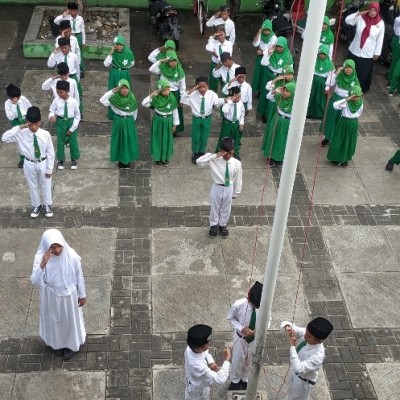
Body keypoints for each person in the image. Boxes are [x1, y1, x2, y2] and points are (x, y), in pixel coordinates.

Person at [30, 229, 86, 361]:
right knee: (54, 320)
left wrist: (82, 294)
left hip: (69, 296)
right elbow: (34, 280)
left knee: (69, 321)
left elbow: (79, 276)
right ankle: (56, 344)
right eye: (52, 247)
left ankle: (70, 346)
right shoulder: (41, 258)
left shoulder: (71, 256)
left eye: (59, 246)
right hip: (51, 296)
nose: (57, 250)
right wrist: (43, 263)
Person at [1, 106, 55, 218]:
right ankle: (36, 205)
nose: (34, 127)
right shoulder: (21, 133)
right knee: (32, 185)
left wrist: (50, 168)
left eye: (37, 124)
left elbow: (50, 152)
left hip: (42, 162)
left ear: (40, 122)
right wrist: (19, 128)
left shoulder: (45, 134)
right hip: (29, 162)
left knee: (46, 184)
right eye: (31, 124)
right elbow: (4, 138)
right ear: (27, 122)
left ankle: (47, 205)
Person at [196, 137, 242, 239]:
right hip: (217, 187)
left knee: (226, 208)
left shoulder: (236, 163)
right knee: (215, 207)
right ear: (222, 151)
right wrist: (216, 155)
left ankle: (223, 224)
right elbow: (199, 162)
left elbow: (238, 178)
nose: (228, 156)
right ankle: (213, 225)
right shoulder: (214, 160)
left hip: (229, 187)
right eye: (226, 153)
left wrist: (236, 192)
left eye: (230, 153)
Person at [281, 317, 333, 400]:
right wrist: (288, 327)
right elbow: (295, 329)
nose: (304, 335)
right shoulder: (309, 333)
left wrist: (292, 346)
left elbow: (299, 368)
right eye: (306, 331)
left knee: (297, 398)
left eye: (308, 336)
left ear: (318, 340)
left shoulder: (318, 356)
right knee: (290, 393)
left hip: (302, 382)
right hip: (294, 373)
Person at [227, 281, 264, 390]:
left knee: (250, 359)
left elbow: (268, 319)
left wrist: (260, 329)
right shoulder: (238, 305)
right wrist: (242, 328)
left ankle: (245, 379)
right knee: (238, 360)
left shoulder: (263, 306)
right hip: (241, 338)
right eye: (252, 304)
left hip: (254, 339)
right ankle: (235, 380)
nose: (254, 307)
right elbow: (230, 319)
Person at [180, 76, 224, 164]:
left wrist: (226, 100)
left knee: (204, 136)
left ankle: (201, 152)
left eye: (204, 87)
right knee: (196, 136)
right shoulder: (193, 95)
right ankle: (195, 152)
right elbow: (182, 100)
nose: (202, 89)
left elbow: (217, 102)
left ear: (207, 86)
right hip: (197, 118)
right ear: (196, 86)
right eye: (199, 87)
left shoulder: (212, 94)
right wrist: (192, 90)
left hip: (207, 118)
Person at [345, 2, 385, 92]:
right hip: (355, 50)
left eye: (375, 10)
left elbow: (380, 39)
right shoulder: (360, 18)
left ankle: (358, 90)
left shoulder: (380, 23)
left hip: (367, 53)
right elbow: (347, 21)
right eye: (371, 10)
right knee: (350, 70)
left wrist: (377, 53)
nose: (372, 12)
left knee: (362, 74)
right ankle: (346, 87)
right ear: (368, 9)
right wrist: (358, 13)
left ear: (377, 11)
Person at [100, 79, 139, 169]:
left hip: (129, 121)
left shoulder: (132, 97)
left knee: (128, 140)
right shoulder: (114, 98)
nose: (124, 90)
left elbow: (135, 110)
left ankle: (128, 160)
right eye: (122, 88)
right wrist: (111, 92)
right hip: (119, 121)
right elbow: (102, 100)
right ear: (118, 89)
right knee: (119, 140)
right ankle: (120, 160)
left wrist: (132, 121)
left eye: (126, 88)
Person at [184, 324, 231, 400]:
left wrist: (210, 361)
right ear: (199, 348)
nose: (209, 344)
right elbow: (220, 379)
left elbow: (204, 352)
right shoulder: (199, 367)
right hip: (199, 393)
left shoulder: (190, 348)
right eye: (207, 343)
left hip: (193, 382)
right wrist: (227, 360)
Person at [319, 59, 359, 147]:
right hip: (336, 99)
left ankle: (337, 139)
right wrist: (336, 73)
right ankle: (327, 137)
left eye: (350, 68)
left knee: (340, 121)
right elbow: (329, 83)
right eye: (346, 67)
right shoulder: (339, 76)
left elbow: (357, 91)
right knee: (331, 119)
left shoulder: (355, 78)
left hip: (346, 102)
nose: (348, 70)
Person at [142, 79, 179, 167]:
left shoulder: (172, 98)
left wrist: (175, 124)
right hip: (158, 120)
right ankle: (158, 158)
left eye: (167, 89)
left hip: (168, 121)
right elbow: (144, 103)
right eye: (164, 90)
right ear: (159, 90)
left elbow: (175, 111)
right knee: (158, 139)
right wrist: (152, 95)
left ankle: (165, 158)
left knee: (167, 139)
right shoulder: (155, 98)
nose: (166, 92)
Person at [149, 50, 186, 134]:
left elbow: (182, 86)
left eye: (174, 60)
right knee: (162, 110)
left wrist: (182, 99)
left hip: (174, 93)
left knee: (174, 111)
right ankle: (162, 129)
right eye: (170, 61)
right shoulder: (162, 68)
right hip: (162, 93)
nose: (173, 63)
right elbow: (151, 69)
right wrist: (160, 61)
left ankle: (174, 131)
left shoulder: (180, 71)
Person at [257, 36, 294, 122]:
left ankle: (272, 115)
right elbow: (263, 63)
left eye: (281, 47)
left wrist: (284, 78)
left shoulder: (288, 57)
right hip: (269, 75)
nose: (279, 48)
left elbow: (290, 71)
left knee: (278, 96)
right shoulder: (271, 52)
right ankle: (264, 114)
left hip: (281, 78)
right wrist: (269, 53)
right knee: (267, 95)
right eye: (277, 46)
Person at [327, 85, 363, 167]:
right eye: (354, 96)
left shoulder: (360, 103)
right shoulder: (346, 102)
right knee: (338, 140)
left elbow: (359, 113)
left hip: (353, 124)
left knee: (348, 141)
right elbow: (335, 105)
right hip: (344, 122)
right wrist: (347, 99)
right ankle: (335, 158)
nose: (356, 98)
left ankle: (345, 158)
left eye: (357, 96)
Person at [49, 80, 81, 170]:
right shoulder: (56, 101)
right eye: (58, 92)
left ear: (67, 91)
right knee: (60, 141)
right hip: (60, 122)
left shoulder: (73, 102)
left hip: (71, 122)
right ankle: (61, 159)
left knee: (73, 141)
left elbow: (77, 115)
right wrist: (51, 116)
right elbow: (51, 110)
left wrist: (72, 128)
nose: (59, 94)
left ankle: (74, 159)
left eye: (61, 92)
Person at [262, 82, 296, 167]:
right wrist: (275, 91)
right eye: (284, 90)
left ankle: (280, 158)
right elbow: (268, 97)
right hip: (277, 119)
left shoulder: (296, 102)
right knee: (273, 138)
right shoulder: (279, 97)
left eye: (287, 91)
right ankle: (271, 157)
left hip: (288, 123)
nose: (284, 92)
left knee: (283, 140)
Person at [104, 35, 135, 120]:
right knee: (113, 91)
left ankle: (125, 111)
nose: (119, 47)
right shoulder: (113, 53)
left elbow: (132, 63)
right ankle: (113, 114)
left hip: (124, 73)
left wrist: (124, 68)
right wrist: (111, 53)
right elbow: (106, 64)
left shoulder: (129, 52)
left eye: (120, 45)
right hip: (115, 73)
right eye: (117, 45)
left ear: (123, 44)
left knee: (125, 91)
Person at [54, 1, 86, 77]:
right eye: (71, 10)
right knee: (69, 51)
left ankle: (80, 69)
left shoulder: (80, 19)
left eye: (74, 10)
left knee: (78, 52)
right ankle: (68, 68)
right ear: (69, 10)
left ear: (77, 11)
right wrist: (63, 15)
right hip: (68, 36)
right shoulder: (66, 18)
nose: (73, 12)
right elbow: (56, 21)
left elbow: (83, 30)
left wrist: (84, 41)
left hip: (78, 35)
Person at [4, 83, 32, 168]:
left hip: (26, 119)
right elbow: (10, 116)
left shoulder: (23, 99)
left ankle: (31, 156)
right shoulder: (8, 104)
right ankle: (23, 159)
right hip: (16, 122)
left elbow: (29, 107)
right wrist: (14, 105)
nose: (18, 98)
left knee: (29, 138)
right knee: (21, 140)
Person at [307, 44, 335, 119]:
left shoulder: (330, 64)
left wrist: (327, 86)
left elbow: (331, 76)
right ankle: (309, 112)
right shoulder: (314, 61)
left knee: (320, 99)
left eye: (324, 54)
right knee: (311, 97)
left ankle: (319, 114)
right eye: (320, 54)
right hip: (313, 82)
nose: (322, 56)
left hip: (323, 83)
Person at [217, 86, 245, 160]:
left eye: (239, 96)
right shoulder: (228, 103)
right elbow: (224, 111)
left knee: (236, 139)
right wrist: (231, 101)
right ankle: (220, 151)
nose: (238, 98)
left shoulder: (240, 103)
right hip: (227, 123)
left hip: (236, 123)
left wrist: (241, 123)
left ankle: (236, 152)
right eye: (237, 97)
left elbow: (242, 114)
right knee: (224, 137)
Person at [251, 19, 277, 97]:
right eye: (265, 30)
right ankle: (258, 90)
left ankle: (263, 91)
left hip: (268, 58)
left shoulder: (274, 38)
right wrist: (259, 32)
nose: (266, 32)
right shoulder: (261, 35)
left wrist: (263, 52)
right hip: (260, 57)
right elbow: (255, 44)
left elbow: (272, 50)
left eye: (268, 30)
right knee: (258, 74)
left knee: (265, 75)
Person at [205, 26, 233, 92]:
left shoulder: (229, 44)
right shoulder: (214, 42)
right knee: (212, 83)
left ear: (225, 34)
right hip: (215, 64)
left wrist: (216, 55)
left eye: (221, 34)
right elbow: (208, 48)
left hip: (224, 65)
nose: (220, 37)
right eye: (218, 35)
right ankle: (213, 98)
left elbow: (228, 56)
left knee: (225, 82)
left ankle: (225, 97)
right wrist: (213, 36)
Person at [387, 15, 400, 93]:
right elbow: (396, 30)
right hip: (397, 40)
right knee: (395, 62)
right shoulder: (398, 19)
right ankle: (391, 80)